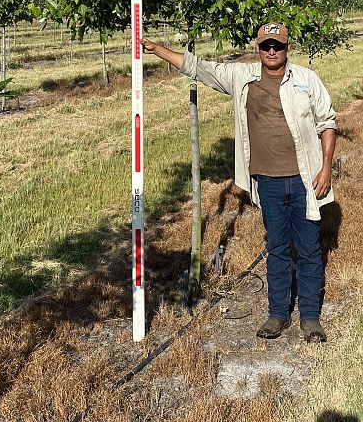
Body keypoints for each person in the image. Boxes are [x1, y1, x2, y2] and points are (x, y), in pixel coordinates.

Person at [141, 22, 337, 343]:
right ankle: (277, 314)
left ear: (288, 48)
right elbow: (197, 68)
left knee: (309, 250)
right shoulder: (241, 77)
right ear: (258, 48)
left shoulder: (305, 80)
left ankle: (311, 318)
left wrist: (326, 168)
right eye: (266, 46)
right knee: (276, 249)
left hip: (306, 180)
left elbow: (327, 123)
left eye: (278, 46)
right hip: (268, 182)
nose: (272, 51)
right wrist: (159, 50)